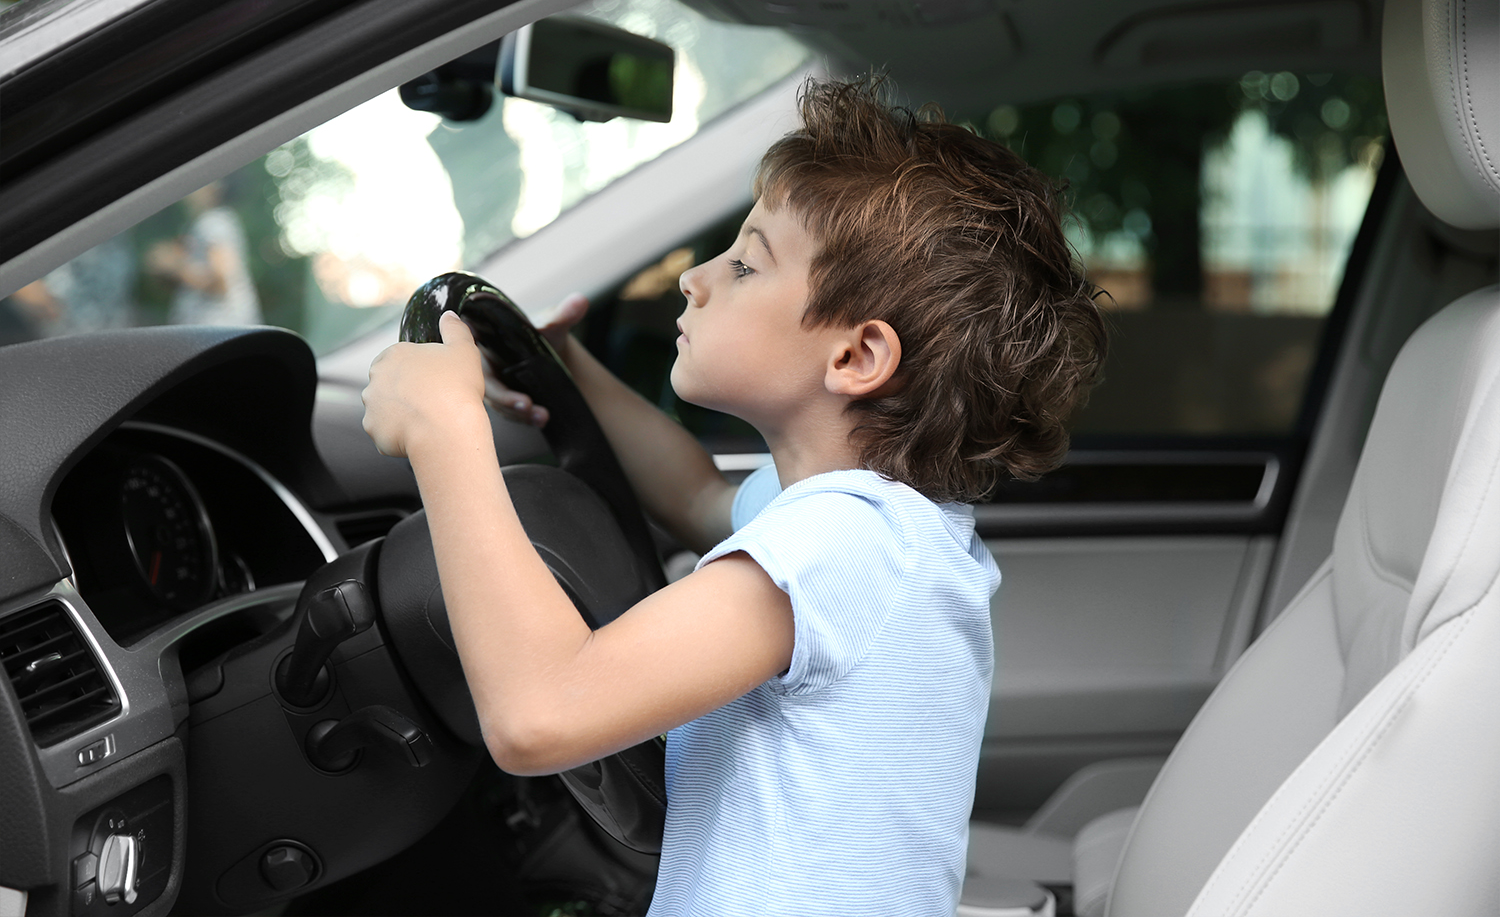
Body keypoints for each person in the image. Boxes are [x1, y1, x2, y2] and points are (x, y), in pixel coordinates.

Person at [361, 77, 1106, 915]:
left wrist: (444, 432)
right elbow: (691, 494)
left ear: (858, 358)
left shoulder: (839, 546)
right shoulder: (884, 527)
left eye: (746, 263)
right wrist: (566, 366)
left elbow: (540, 714)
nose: (696, 279)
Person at [148, 180, 262, 325]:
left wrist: (174, 267)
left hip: (218, 328)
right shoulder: (207, 223)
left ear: (213, 189)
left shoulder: (213, 223)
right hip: (212, 331)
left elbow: (221, 282)